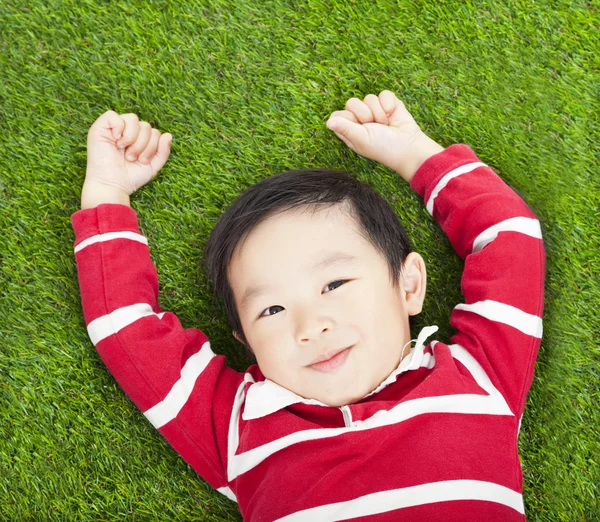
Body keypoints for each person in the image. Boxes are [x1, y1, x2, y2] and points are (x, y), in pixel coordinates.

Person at [72, 90, 545, 521]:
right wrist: (107, 192)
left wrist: (415, 155)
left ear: (408, 284)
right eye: (271, 311)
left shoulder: (480, 376)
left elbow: (511, 241)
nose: (310, 325)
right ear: (245, 340)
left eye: (335, 282)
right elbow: (128, 332)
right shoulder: (237, 426)